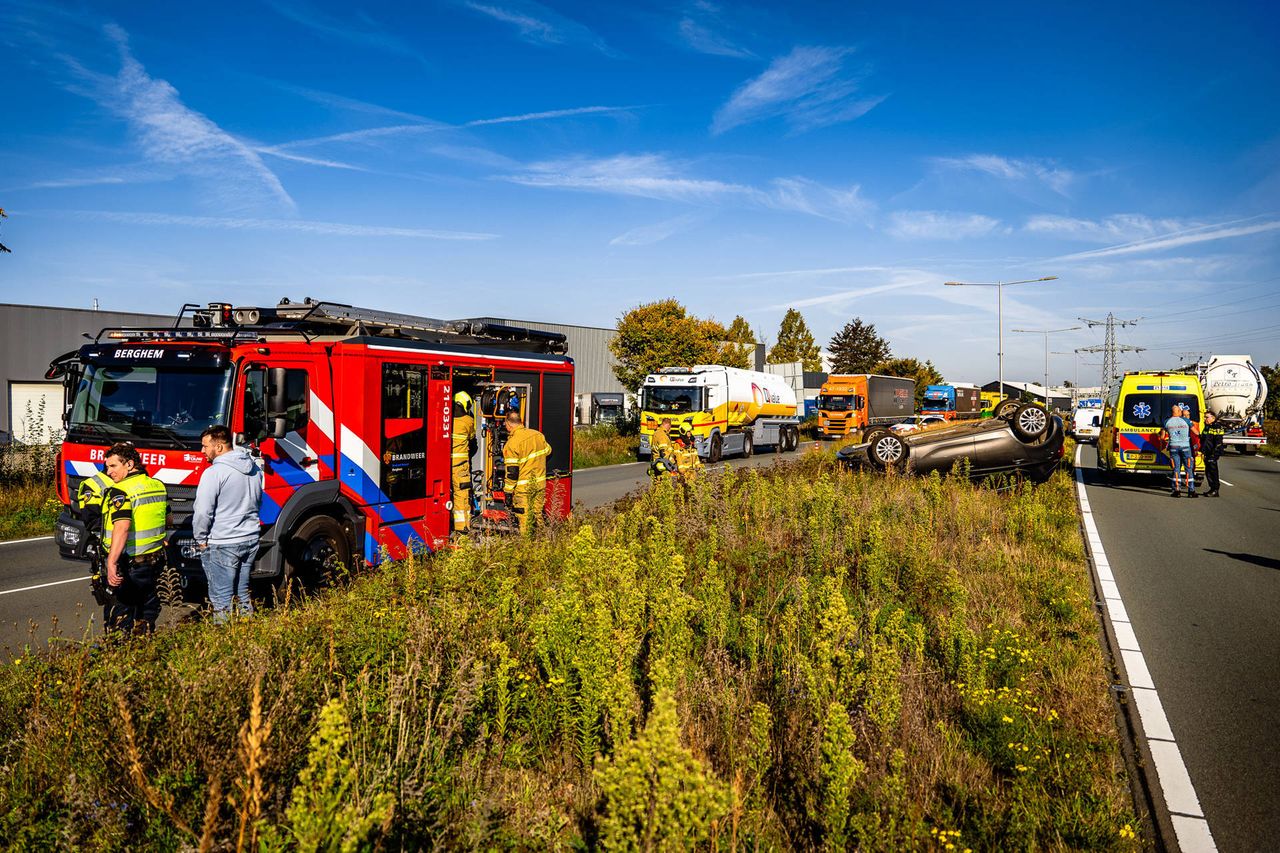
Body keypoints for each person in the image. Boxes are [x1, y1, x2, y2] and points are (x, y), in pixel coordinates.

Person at [193, 425, 263, 621]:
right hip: (250, 538)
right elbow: (258, 501)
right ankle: (248, 632)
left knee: (221, 599)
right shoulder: (254, 469)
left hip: (223, 541)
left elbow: (203, 511)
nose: (202, 451)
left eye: (205, 446)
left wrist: (200, 539)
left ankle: (224, 638)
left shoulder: (214, 473)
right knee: (242, 593)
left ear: (219, 447)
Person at [99, 442, 168, 635]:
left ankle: (119, 649)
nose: (109, 472)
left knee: (119, 615)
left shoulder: (120, 490)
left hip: (129, 564)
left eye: (113, 466)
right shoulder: (158, 485)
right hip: (154, 561)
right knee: (146, 613)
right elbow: (167, 518)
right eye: (107, 467)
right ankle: (144, 645)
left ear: (129, 464)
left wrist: (111, 562)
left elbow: (122, 527)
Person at [502, 409, 550, 535]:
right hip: (540, 485)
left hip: (523, 490)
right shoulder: (538, 435)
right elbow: (548, 451)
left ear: (509, 424)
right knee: (538, 516)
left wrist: (508, 492)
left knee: (524, 520)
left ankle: (527, 544)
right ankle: (544, 541)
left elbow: (512, 472)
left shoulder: (511, 444)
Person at [451, 391, 477, 532]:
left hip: (443, 464)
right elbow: (473, 442)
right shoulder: (468, 421)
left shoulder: (444, 418)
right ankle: (462, 527)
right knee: (461, 495)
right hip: (460, 466)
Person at [1162, 403, 1195, 497]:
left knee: (1176, 469)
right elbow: (1196, 432)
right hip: (1185, 447)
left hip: (1173, 447)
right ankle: (1191, 491)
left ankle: (1177, 490)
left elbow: (1162, 437)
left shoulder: (1166, 421)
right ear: (1179, 411)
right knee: (1188, 468)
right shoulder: (1186, 420)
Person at [1199, 410, 1227, 497]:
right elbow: (1203, 439)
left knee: (1213, 471)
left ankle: (1215, 489)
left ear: (1213, 418)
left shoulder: (1217, 427)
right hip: (1207, 452)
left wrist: (1214, 454)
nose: (1205, 419)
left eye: (1207, 417)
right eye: (1204, 417)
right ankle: (1212, 488)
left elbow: (1218, 442)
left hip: (1213, 453)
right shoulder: (1207, 427)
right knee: (1208, 472)